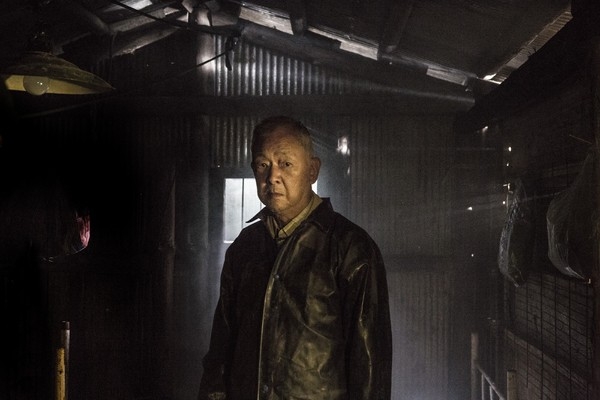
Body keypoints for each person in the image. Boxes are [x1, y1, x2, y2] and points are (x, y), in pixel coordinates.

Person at [198, 115, 392, 400]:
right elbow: (220, 354)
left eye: (285, 164)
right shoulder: (244, 249)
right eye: (262, 165)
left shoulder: (351, 248)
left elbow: (370, 369)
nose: (272, 177)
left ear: (312, 170)